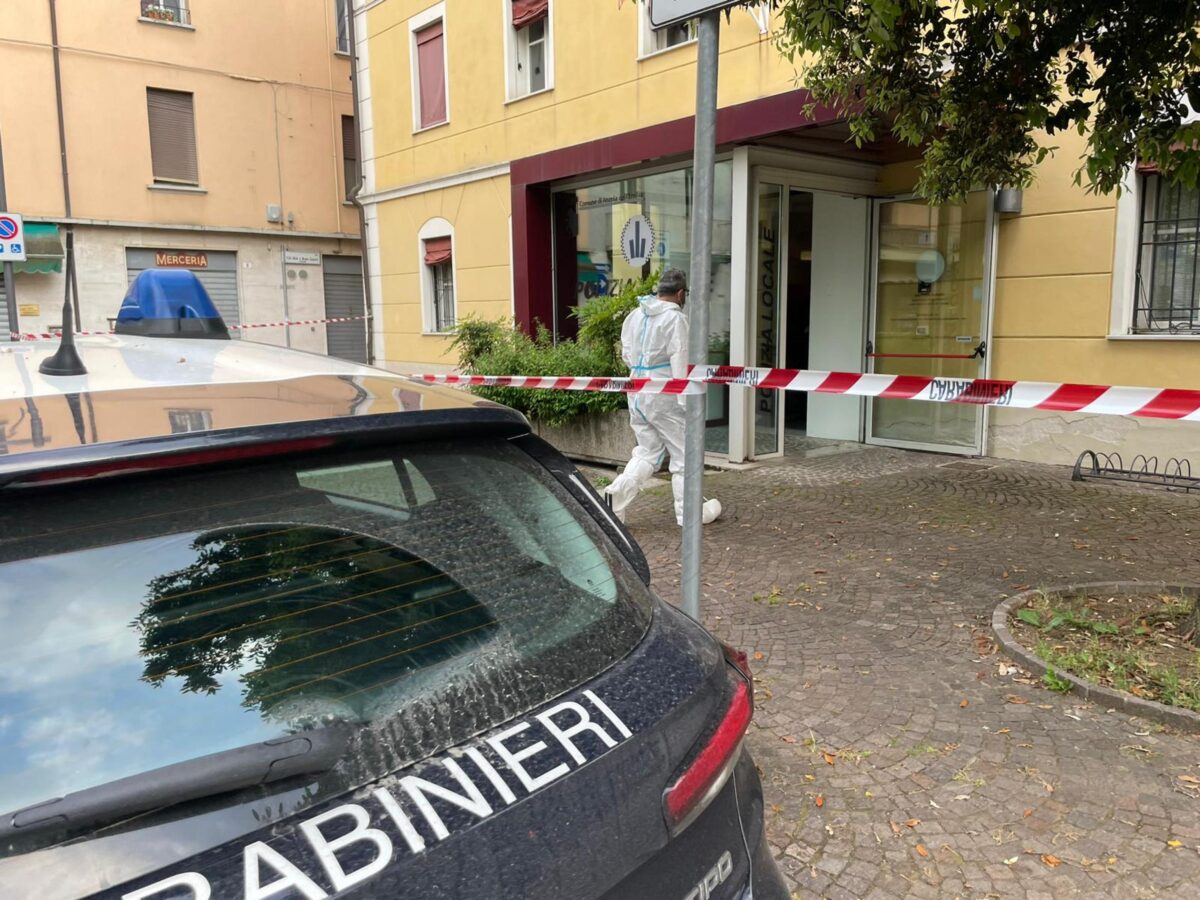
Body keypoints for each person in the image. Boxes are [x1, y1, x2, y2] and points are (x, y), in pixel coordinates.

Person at [604, 268, 722, 527]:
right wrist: (685, 400)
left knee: (647, 452)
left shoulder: (635, 315)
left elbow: (626, 355)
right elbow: (679, 358)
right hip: (664, 393)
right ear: (680, 293)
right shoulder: (675, 319)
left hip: (637, 391)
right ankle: (689, 513)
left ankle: (614, 497)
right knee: (684, 454)